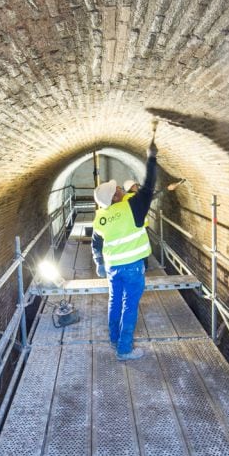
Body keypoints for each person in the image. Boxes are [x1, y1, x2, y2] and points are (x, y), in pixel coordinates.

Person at [91, 140, 157, 361]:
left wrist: (98, 261)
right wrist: (151, 158)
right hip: (132, 267)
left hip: (113, 267)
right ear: (116, 196)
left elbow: (97, 242)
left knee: (114, 301)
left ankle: (114, 338)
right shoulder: (131, 207)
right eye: (117, 188)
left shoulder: (100, 217)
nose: (119, 187)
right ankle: (124, 349)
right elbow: (148, 188)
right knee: (130, 306)